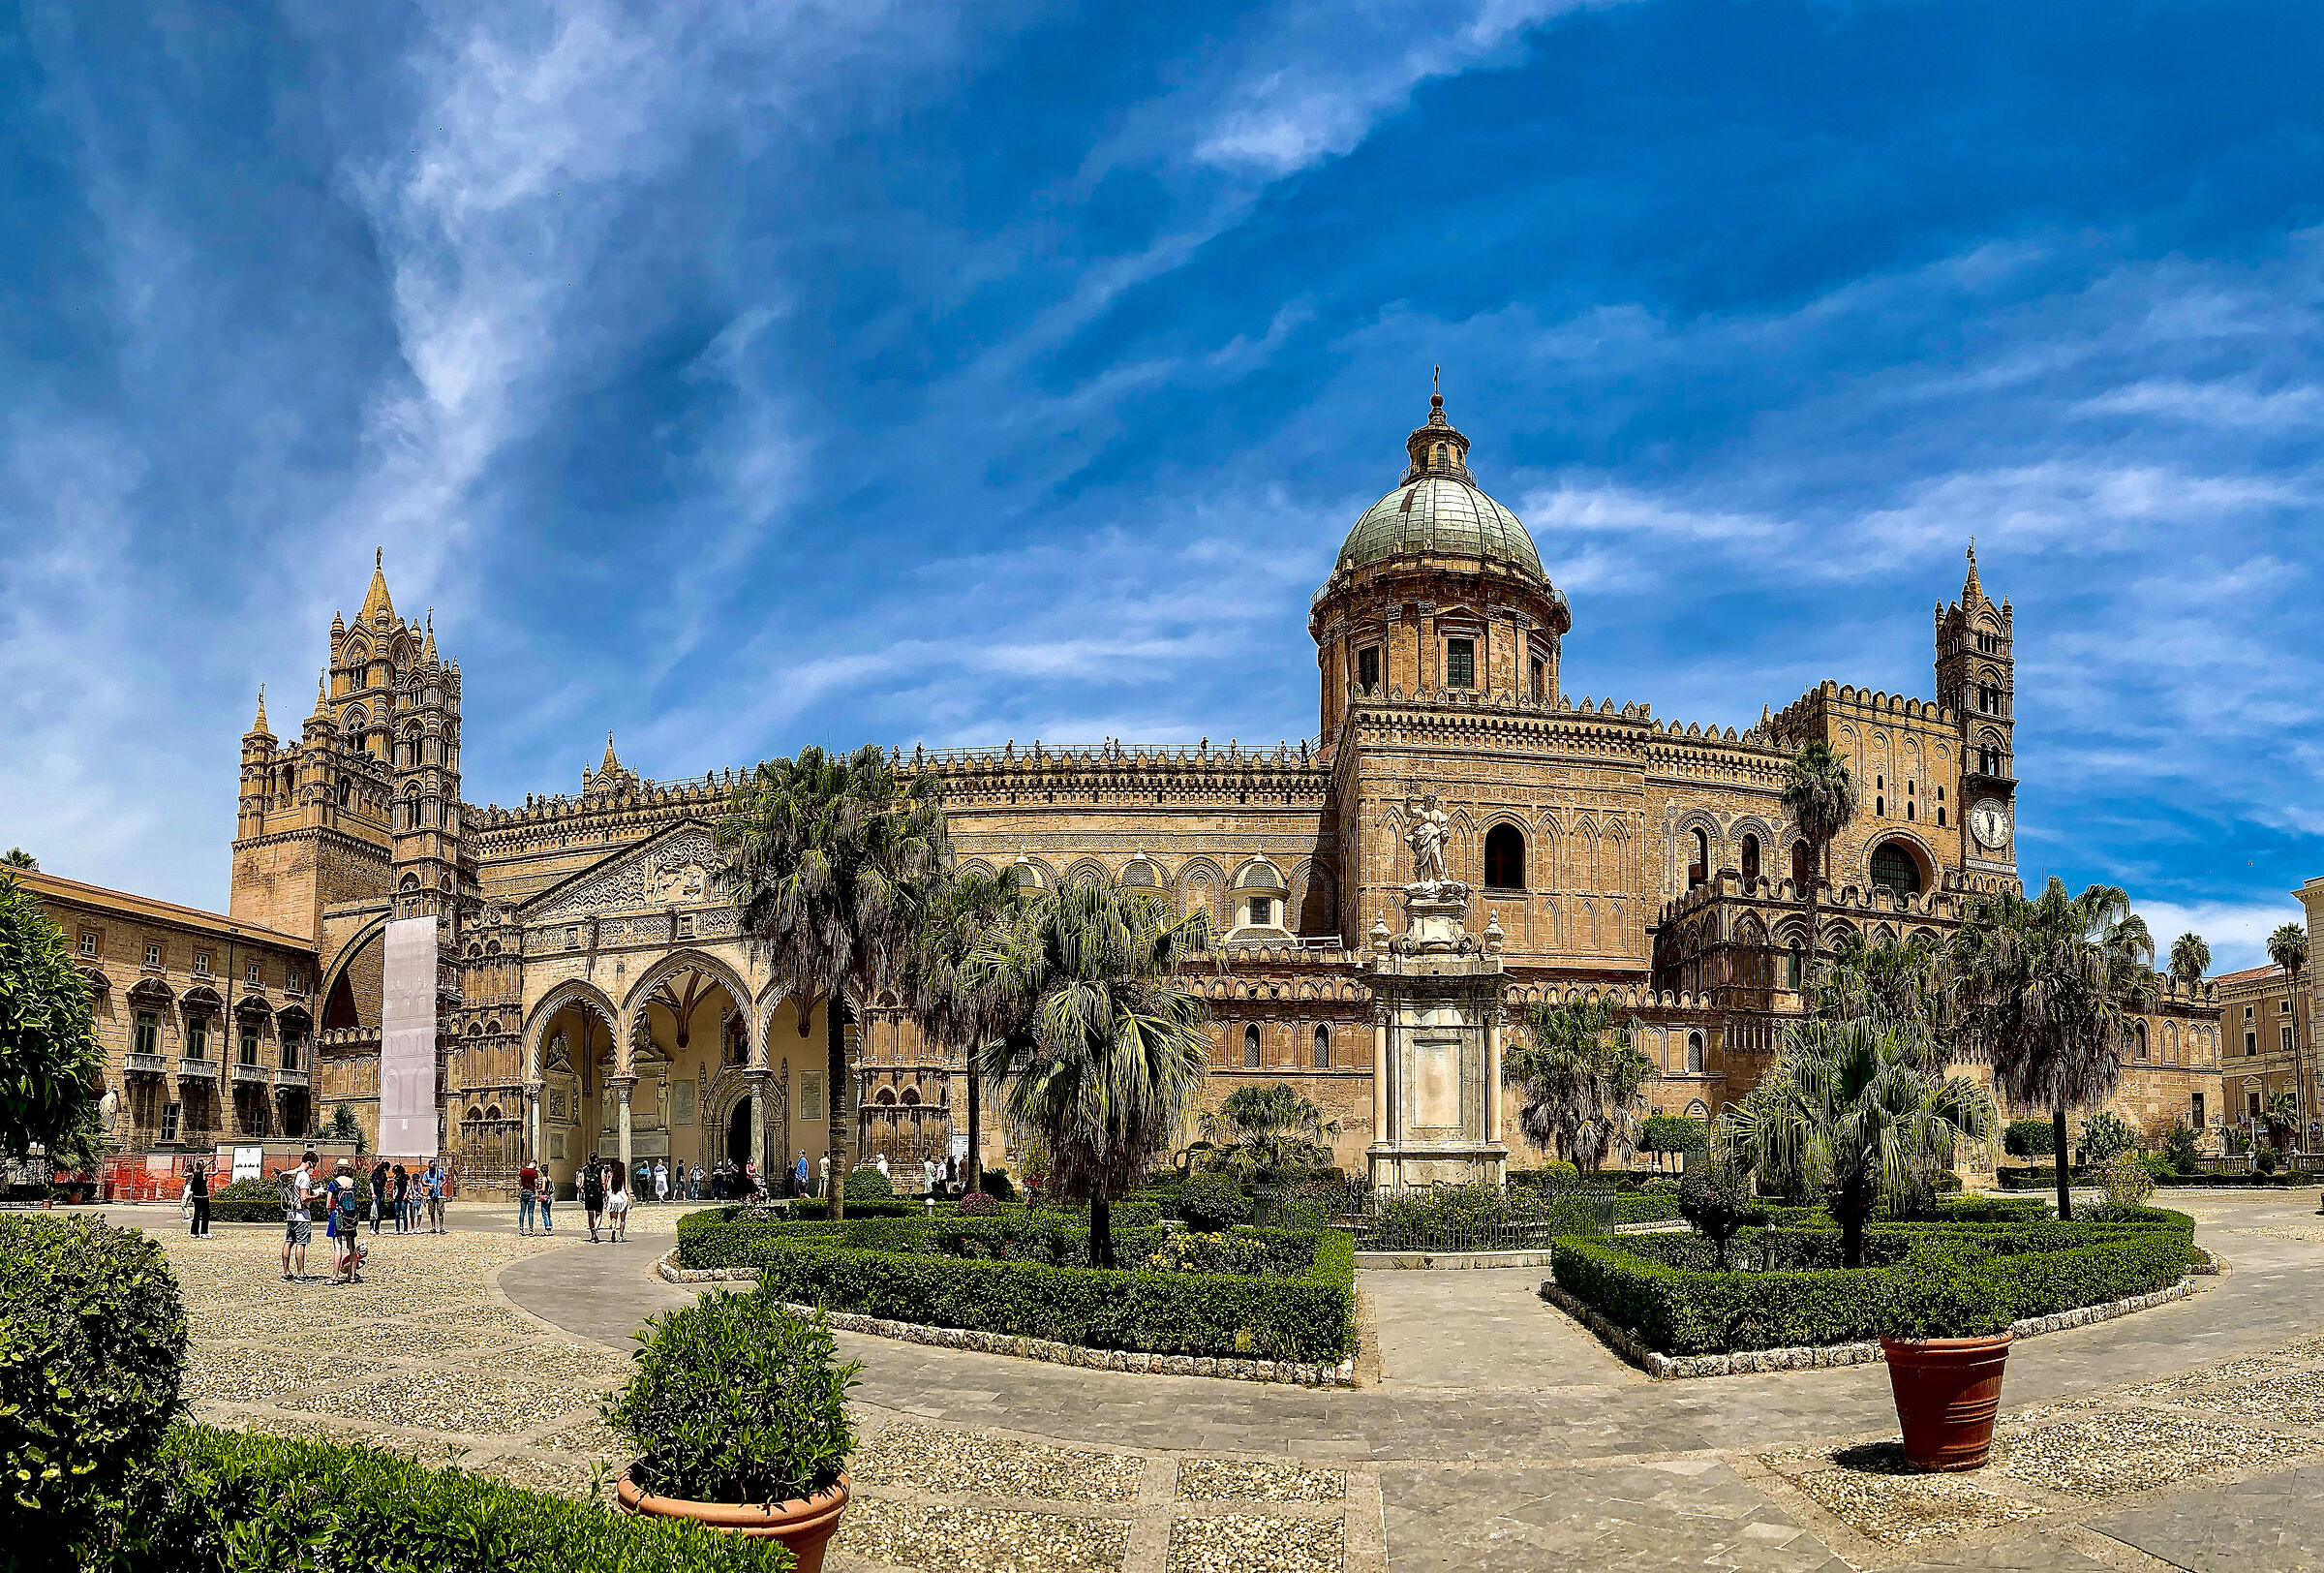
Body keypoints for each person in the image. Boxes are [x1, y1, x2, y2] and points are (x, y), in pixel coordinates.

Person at [279, 1155, 314, 1280]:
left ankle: (286, 1271)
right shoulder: (304, 1176)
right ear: (310, 1163)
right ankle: (300, 1273)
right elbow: (304, 1197)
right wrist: (317, 1196)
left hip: (291, 1214)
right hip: (302, 1215)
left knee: (288, 1242)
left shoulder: (292, 1173)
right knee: (301, 1243)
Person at [330, 1164, 367, 1283]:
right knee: (351, 1247)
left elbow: (328, 1203)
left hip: (338, 1216)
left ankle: (334, 1277)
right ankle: (352, 1276)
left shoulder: (334, 1183)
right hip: (350, 1216)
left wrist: (330, 1213)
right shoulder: (352, 1183)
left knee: (337, 1246)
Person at [582, 1156, 605, 1243]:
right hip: (597, 1194)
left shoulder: (585, 1169)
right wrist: (604, 1191)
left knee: (590, 1215)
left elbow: (582, 1182)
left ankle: (592, 1234)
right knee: (599, 1214)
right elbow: (603, 1181)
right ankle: (595, 1228)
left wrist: (582, 1190)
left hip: (588, 1195)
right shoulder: (600, 1168)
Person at [186, 1160, 212, 1238]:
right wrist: (214, 1163)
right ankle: (204, 1232)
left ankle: (194, 1232)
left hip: (196, 1197)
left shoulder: (194, 1174)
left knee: (196, 1215)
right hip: (204, 1197)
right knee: (205, 1215)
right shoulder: (204, 1174)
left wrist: (210, 1162)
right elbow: (216, 1172)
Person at [606, 1158, 630, 1243]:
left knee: (613, 1218)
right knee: (622, 1219)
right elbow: (627, 1190)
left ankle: (613, 1229)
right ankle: (620, 1236)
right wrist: (630, 1200)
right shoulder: (624, 1177)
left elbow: (607, 1187)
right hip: (622, 1198)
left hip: (613, 1199)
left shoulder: (612, 1177)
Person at [517, 1158, 540, 1236]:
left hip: (523, 1192)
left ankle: (521, 1229)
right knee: (530, 1212)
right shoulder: (534, 1172)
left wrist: (522, 1186)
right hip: (531, 1192)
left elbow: (520, 1181)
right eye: (535, 1165)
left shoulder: (522, 1171)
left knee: (522, 1211)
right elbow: (536, 1182)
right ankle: (531, 1230)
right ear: (533, 1163)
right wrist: (536, 1187)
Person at [423, 1159, 446, 1233]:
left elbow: (444, 1179)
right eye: (431, 1167)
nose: (432, 1168)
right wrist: (428, 1184)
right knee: (431, 1212)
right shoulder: (427, 1173)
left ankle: (441, 1227)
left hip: (439, 1194)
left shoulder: (439, 1172)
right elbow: (423, 1182)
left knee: (440, 1211)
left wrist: (442, 1184)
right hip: (431, 1195)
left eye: (433, 1166)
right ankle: (433, 1227)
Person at [368, 1159, 389, 1235]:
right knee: (374, 1211)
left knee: (380, 1211)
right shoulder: (375, 1174)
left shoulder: (384, 1176)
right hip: (376, 1194)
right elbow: (371, 1183)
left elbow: (384, 1183)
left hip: (381, 1194)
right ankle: (371, 1227)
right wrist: (372, 1193)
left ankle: (377, 1228)